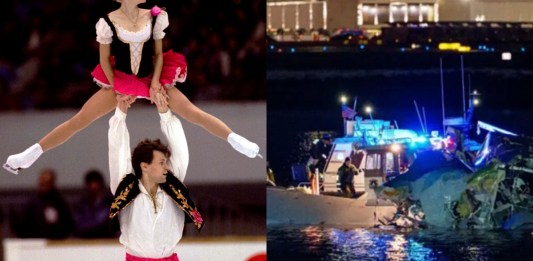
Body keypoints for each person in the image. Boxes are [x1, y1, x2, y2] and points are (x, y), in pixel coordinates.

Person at [3, 0, 260, 175]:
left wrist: (157, 81)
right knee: (80, 119)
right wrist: (117, 88)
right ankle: (31, 154)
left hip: (153, 76)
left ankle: (236, 140)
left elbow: (158, 55)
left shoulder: (156, 16)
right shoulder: (107, 22)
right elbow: (104, 60)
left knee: (193, 112)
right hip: (122, 79)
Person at [108, 93, 205, 260]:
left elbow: (181, 150)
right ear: (144, 166)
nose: (167, 167)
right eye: (161, 162)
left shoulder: (173, 186)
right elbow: (118, 151)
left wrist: (165, 114)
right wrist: (120, 115)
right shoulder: (125, 187)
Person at [10, 168, 74, 238]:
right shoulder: (31, 203)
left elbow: (67, 223)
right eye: (42, 182)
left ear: (52, 183)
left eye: (47, 182)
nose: (44, 185)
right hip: (36, 241)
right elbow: (24, 224)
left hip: (56, 241)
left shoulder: (60, 203)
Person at [74, 169, 115, 238]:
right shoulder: (83, 204)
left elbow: (107, 223)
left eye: (96, 183)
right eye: (90, 184)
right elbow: (79, 223)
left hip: (107, 238)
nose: (94, 187)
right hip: (85, 238)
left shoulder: (110, 202)